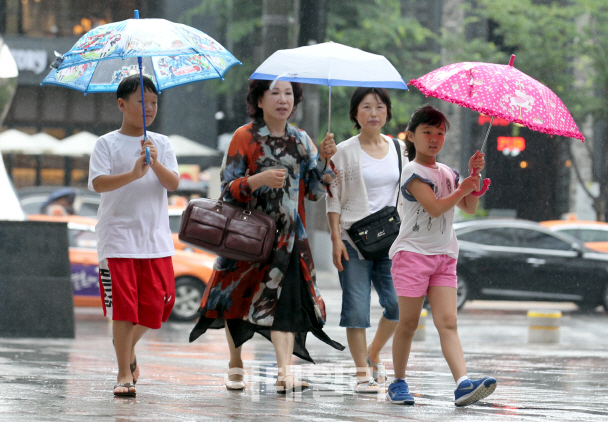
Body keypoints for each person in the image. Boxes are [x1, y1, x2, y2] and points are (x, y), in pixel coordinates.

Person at [189, 79, 344, 393]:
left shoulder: (301, 139)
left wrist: (326, 160)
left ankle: (285, 373)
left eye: (289, 93)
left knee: (285, 305)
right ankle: (235, 362)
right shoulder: (244, 137)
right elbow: (227, 191)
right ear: (259, 100)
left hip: (289, 240)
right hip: (245, 235)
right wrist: (257, 180)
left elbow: (316, 191)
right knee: (237, 301)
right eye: (275, 92)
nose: (283, 99)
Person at [386, 104, 496, 406]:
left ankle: (462, 384)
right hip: (412, 255)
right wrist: (462, 189)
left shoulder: (449, 172)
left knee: (448, 321)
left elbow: (469, 209)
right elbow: (435, 207)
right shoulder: (412, 171)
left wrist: (473, 176)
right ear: (411, 136)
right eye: (427, 132)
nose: (434, 138)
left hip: (445, 256)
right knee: (408, 324)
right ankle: (398, 382)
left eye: (440, 132)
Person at [88, 74, 179, 397]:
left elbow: (173, 184)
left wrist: (153, 163)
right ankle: (123, 373)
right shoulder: (106, 144)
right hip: (118, 238)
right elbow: (98, 183)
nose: (149, 108)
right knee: (124, 310)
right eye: (143, 101)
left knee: (160, 306)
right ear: (122, 104)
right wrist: (133, 172)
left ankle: (123, 343)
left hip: (155, 240)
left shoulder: (162, 144)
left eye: (154, 102)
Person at [326, 87, 405, 393]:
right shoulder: (343, 151)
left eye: (380, 107)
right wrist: (335, 239)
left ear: (387, 112)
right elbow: (332, 199)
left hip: (391, 240)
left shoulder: (400, 149)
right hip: (352, 239)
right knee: (356, 308)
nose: (374, 113)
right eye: (367, 107)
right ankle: (362, 373)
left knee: (398, 305)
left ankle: (373, 355)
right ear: (355, 114)